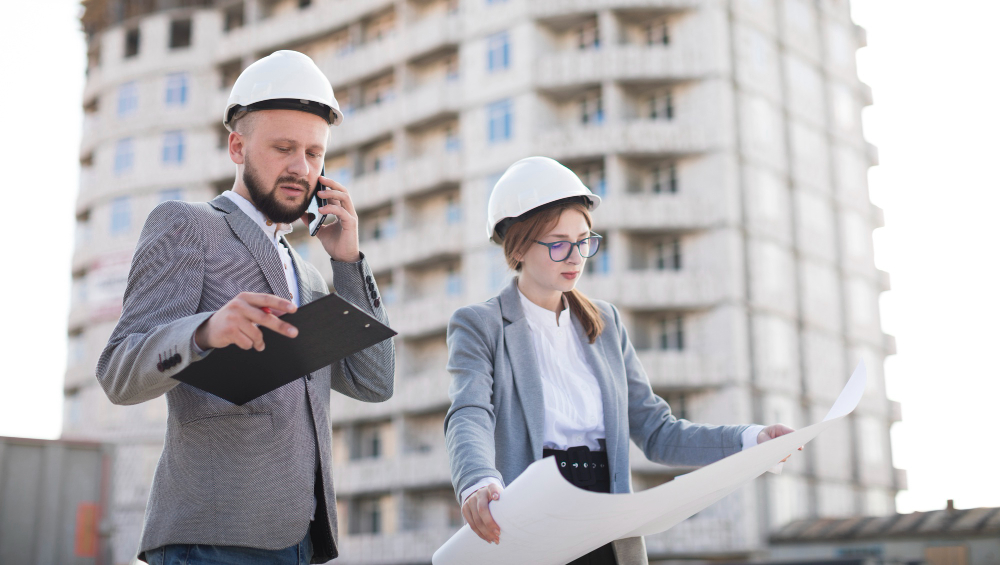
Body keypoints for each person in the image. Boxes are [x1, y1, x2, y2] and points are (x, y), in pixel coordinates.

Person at [96, 50, 395, 565]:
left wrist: (348, 260)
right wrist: (205, 332)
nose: (301, 168)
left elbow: (375, 382)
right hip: (212, 537)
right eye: (283, 148)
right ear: (238, 146)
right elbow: (119, 374)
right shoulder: (186, 226)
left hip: (302, 538)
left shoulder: (308, 273)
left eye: (314, 153)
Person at [444, 156, 798, 565]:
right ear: (518, 246)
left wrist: (752, 441)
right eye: (558, 243)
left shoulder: (605, 323)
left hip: (608, 528)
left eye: (584, 241)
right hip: (531, 522)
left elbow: (658, 431)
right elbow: (469, 412)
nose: (575, 257)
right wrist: (477, 481)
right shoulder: (479, 324)